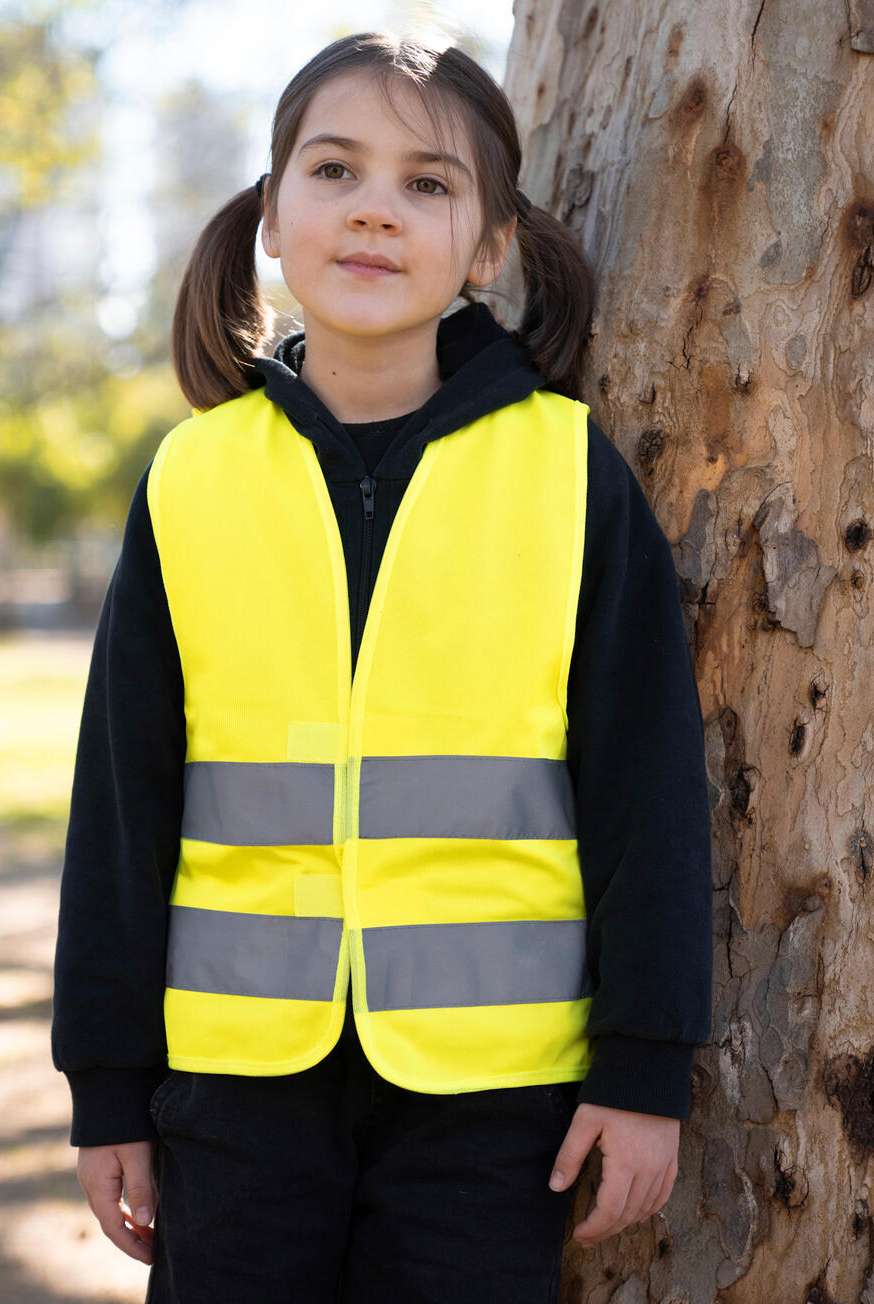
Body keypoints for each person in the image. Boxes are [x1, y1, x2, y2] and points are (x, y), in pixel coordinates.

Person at [51, 30, 713, 1304]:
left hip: (492, 1106)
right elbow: (121, 806)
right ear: (268, 215)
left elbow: (649, 792)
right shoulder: (194, 478)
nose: (373, 209)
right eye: (334, 168)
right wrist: (104, 1085)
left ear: (489, 245)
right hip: (232, 1092)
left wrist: (641, 1064)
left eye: (427, 182)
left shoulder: (566, 473)